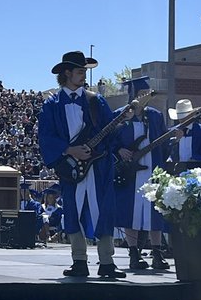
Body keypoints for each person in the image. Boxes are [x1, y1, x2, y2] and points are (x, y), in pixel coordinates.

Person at [37, 50, 126, 279]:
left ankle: (107, 262)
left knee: (104, 210)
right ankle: (79, 261)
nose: (84, 75)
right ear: (67, 73)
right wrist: (68, 149)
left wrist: (120, 126)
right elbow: (46, 136)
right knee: (73, 211)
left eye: (84, 71)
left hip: (98, 166)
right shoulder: (51, 105)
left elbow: (110, 132)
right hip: (71, 166)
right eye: (80, 71)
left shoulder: (96, 101)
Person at [112, 77, 170, 272]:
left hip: (152, 168)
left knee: (155, 210)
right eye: (141, 94)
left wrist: (173, 142)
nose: (145, 97)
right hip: (130, 171)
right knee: (131, 211)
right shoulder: (120, 116)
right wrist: (119, 150)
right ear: (134, 96)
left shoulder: (155, 116)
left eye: (147, 94)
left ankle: (156, 253)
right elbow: (109, 141)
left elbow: (164, 144)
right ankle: (134, 253)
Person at [168, 98, 201, 172]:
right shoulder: (171, 131)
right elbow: (167, 152)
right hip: (175, 171)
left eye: (184, 117)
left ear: (191, 115)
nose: (181, 120)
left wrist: (193, 161)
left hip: (195, 171)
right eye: (180, 118)